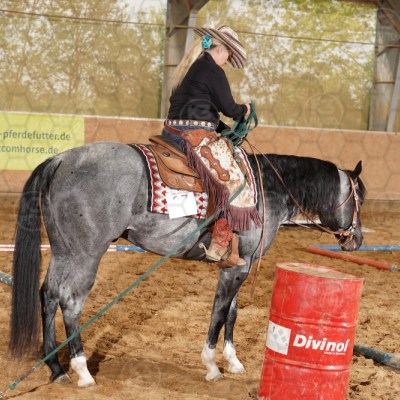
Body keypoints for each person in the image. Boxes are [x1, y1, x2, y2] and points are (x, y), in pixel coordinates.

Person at [163, 25, 261, 267]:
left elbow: (201, 108)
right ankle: (219, 243)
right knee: (234, 182)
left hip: (172, 131)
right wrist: (245, 109)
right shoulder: (212, 70)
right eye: (228, 55)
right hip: (194, 136)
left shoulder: (190, 68)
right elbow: (230, 108)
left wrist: (223, 128)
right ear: (220, 50)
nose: (227, 61)